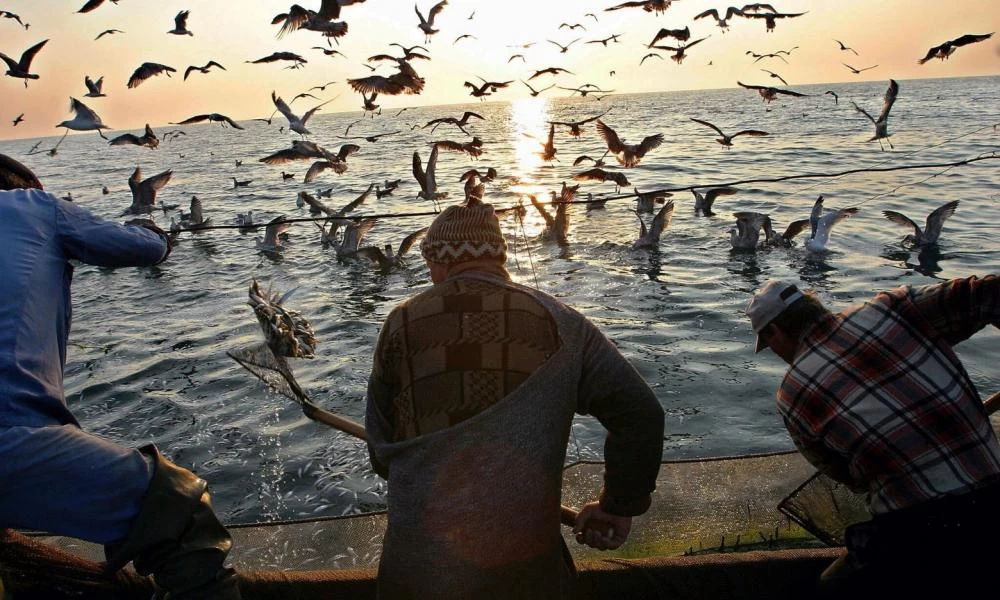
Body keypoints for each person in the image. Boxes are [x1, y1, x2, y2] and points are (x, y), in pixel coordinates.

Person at [365, 199, 665, 599]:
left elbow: (380, 453)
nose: (432, 276)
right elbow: (640, 414)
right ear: (498, 256)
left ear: (440, 260)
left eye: (430, 263)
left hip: (417, 575)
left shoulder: (399, 323)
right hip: (524, 574)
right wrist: (617, 505)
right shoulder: (566, 324)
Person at [0, 154, 240, 599]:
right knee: (178, 509)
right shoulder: (30, 205)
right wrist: (150, 225)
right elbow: (146, 249)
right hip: (9, 436)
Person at [747, 276, 1000, 597]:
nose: (778, 355)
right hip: (994, 504)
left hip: (917, 533)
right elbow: (988, 292)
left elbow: (853, 480)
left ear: (774, 331)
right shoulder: (895, 307)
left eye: (770, 345)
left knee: (831, 587)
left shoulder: (793, 394)